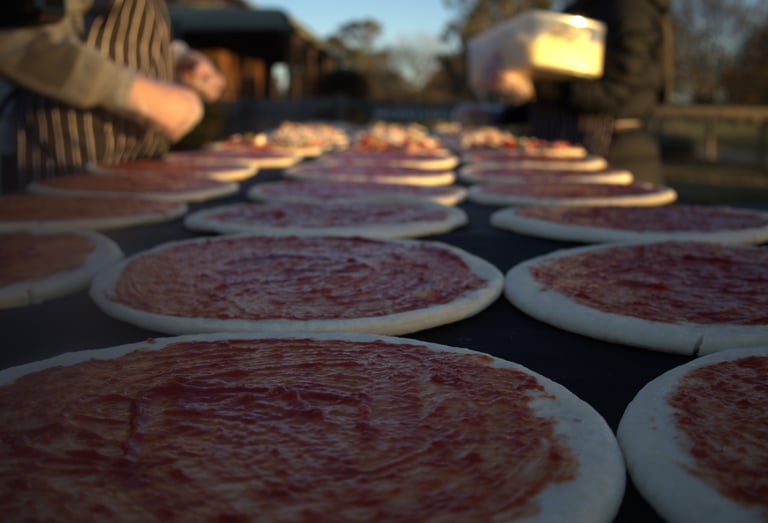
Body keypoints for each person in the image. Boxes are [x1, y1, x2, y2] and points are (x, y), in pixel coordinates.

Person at [0, 0, 226, 193]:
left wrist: (174, 57)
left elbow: (104, 29)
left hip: (140, 175)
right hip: (67, 167)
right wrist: (138, 95)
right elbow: (16, 38)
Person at [492, 0, 672, 184]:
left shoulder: (630, 9)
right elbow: (560, 86)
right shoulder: (583, 8)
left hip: (616, 159)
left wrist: (536, 88)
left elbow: (614, 91)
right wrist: (501, 115)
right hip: (572, 154)